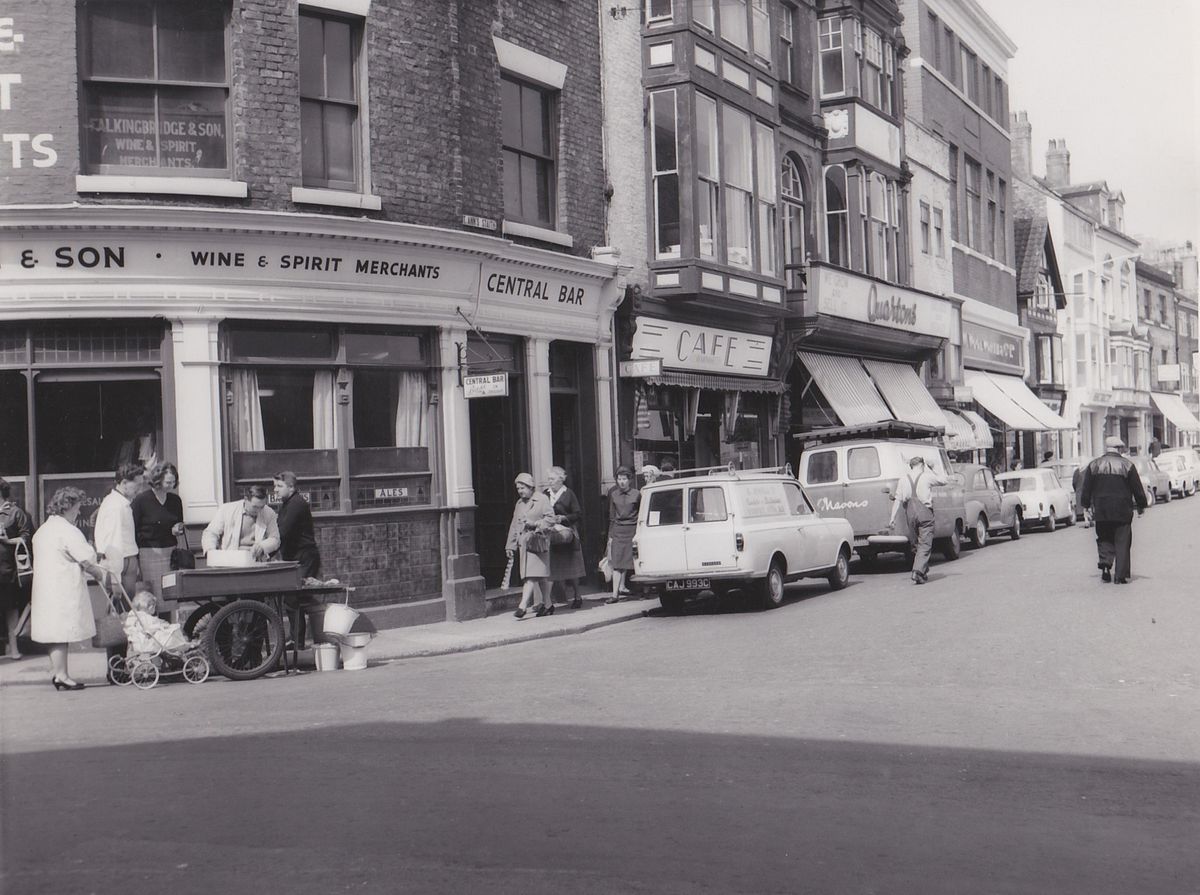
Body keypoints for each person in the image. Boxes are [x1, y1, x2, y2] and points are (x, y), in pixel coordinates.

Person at [31, 487, 117, 690]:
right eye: (78, 508)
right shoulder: (68, 531)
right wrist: (101, 574)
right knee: (61, 632)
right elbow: (86, 558)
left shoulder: (43, 530)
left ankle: (60, 673)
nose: (79, 512)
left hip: (46, 589)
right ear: (68, 507)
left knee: (55, 633)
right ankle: (61, 675)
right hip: (62, 588)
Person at [1079, 436, 1147, 584]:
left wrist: (1086, 506)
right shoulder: (1127, 465)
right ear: (1119, 448)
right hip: (1123, 510)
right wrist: (1141, 505)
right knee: (1122, 541)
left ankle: (1105, 564)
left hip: (1102, 510)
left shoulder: (1094, 465)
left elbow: (1086, 488)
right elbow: (1137, 488)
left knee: (1104, 538)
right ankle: (1120, 575)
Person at [888, 455, 949, 585]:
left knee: (916, 545)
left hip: (910, 515)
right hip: (925, 514)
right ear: (922, 465)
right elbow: (944, 480)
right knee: (925, 544)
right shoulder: (926, 476)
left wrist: (892, 518)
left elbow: (898, 500)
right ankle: (917, 571)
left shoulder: (903, 479)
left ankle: (922, 571)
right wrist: (934, 467)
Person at [131, 462, 185, 600]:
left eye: (174, 482)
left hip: (171, 553)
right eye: (168, 482)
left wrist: (177, 528)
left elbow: (178, 522)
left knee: (170, 594)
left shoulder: (175, 500)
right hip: (149, 553)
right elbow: (133, 529)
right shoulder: (141, 500)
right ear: (157, 480)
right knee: (152, 594)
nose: (171, 486)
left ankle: (169, 621)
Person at [505, 473, 554, 618]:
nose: (520, 491)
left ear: (530, 487)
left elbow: (551, 519)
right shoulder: (519, 504)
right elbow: (515, 525)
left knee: (531, 577)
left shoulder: (542, 499)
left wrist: (535, 524)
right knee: (541, 578)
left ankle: (522, 607)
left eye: (523, 488)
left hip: (538, 542)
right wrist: (510, 545)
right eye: (518, 488)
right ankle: (549, 605)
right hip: (525, 545)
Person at [93, 462, 144, 596]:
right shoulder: (115, 506)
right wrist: (116, 580)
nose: (140, 490)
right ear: (124, 483)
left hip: (126, 563)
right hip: (120, 565)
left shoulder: (122, 503)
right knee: (121, 611)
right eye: (137, 485)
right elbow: (112, 544)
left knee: (126, 610)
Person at [201, 485, 280, 561]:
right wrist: (210, 551)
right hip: (231, 559)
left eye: (261, 507)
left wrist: (262, 546)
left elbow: (275, 538)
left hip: (257, 559)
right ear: (246, 499)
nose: (258, 510)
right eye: (255, 507)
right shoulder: (226, 510)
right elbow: (211, 532)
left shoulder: (269, 513)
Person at [0, 478, 34, 659]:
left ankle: (14, 649)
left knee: (10, 609)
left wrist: (8, 540)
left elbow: (27, 537)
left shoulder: (15, 513)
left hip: (7, 570)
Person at [545, 466, 586, 610]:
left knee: (572, 567)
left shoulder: (569, 494)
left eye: (552, 479)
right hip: (553, 535)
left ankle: (577, 596)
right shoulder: (546, 494)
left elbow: (577, 514)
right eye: (549, 479)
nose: (549, 482)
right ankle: (546, 601)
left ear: (561, 479)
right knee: (551, 567)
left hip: (568, 535)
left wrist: (563, 518)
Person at [123, 586, 198, 656]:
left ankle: (185, 644)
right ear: (151, 607)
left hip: (138, 644)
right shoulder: (145, 618)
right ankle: (186, 645)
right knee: (172, 630)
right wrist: (161, 626)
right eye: (154, 607)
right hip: (148, 644)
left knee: (166, 632)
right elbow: (150, 629)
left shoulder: (134, 616)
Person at [273, 471, 320, 579]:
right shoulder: (288, 504)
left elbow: (283, 533)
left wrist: (265, 551)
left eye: (279, 486)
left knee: (300, 594)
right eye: (274, 486)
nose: (275, 489)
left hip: (303, 559)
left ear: (291, 487)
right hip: (296, 558)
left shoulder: (296, 504)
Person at [605, 466, 640, 602]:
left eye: (624, 479)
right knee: (617, 563)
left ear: (629, 480)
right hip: (619, 531)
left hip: (633, 530)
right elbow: (612, 517)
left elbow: (641, 513)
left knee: (636, 560)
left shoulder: (637, 494)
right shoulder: (613, 495)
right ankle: (615, 595)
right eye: (619, 479)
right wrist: (610, 537)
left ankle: (645, 590)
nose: (621, 482)